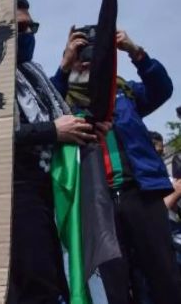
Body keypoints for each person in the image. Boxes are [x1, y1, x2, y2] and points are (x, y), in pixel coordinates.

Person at [52, 26, 180, 303]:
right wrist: (65, 64)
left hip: (141, 194)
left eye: (94, 56)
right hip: (98, 205)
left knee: (165, 276)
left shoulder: (124, 92)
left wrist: (135, 51)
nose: (86, 62)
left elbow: (162, 89)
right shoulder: (61, 103)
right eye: (80, 56)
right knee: (114, 286)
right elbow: (43, 113)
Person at [8, 0, 96, 303]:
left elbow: (44, 108)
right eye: (20, 27)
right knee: (35, 284)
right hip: (15, 193)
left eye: (32, 26)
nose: (28, 33)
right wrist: (54, 132)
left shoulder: (33, 73)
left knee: (54, 279)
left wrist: (66, 65)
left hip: (47, 187)